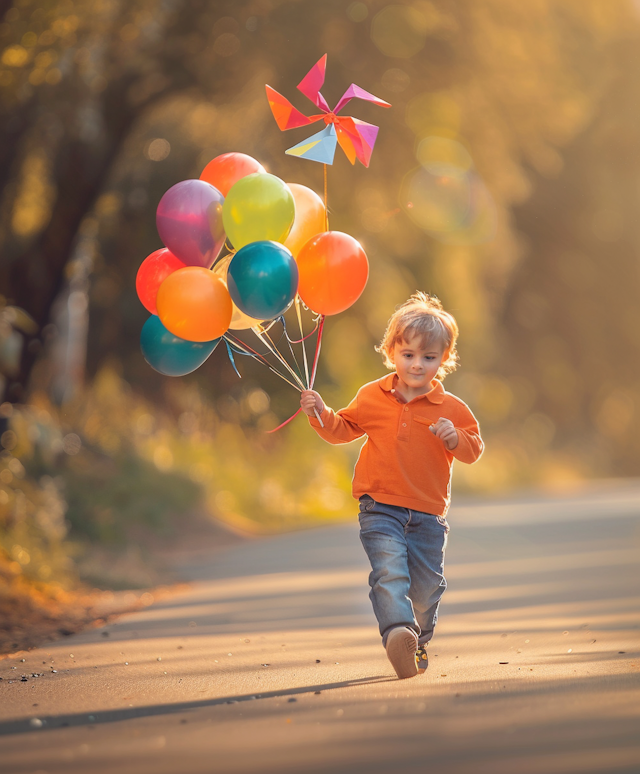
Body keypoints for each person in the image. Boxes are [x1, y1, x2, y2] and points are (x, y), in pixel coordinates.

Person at [300, 292, 483, 679]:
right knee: (388, 573)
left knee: (427, 588)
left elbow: (473, 449)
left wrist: (454, 439)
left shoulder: (452, 409)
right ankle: (397, 632)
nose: (418, 364)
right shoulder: (373, 396)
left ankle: (418, 638)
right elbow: (343, 428)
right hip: (379, 505)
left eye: (429, 357)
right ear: (391, 352)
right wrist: (320, 413)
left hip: (429, 515)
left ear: (444, 359)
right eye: (409, 355)